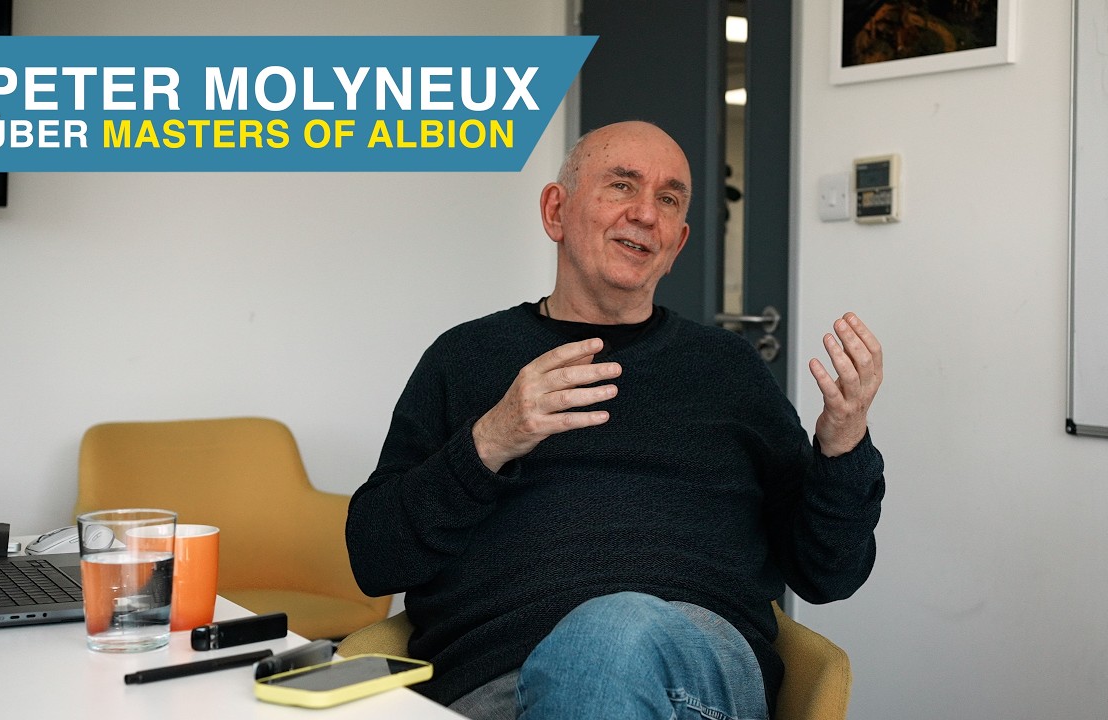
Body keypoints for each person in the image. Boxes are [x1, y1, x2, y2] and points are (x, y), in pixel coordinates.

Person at [346, 120, 885, 720]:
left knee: (612, 634)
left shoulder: (727, 369)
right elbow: (375, 558)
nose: (646, 214)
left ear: (678, 243)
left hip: (692, 680)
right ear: (555, 211)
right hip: (495, 682)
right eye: (622, 186)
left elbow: (829, 572)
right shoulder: (465, 358)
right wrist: (491, 441)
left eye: (668, 199)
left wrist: (843, 449)